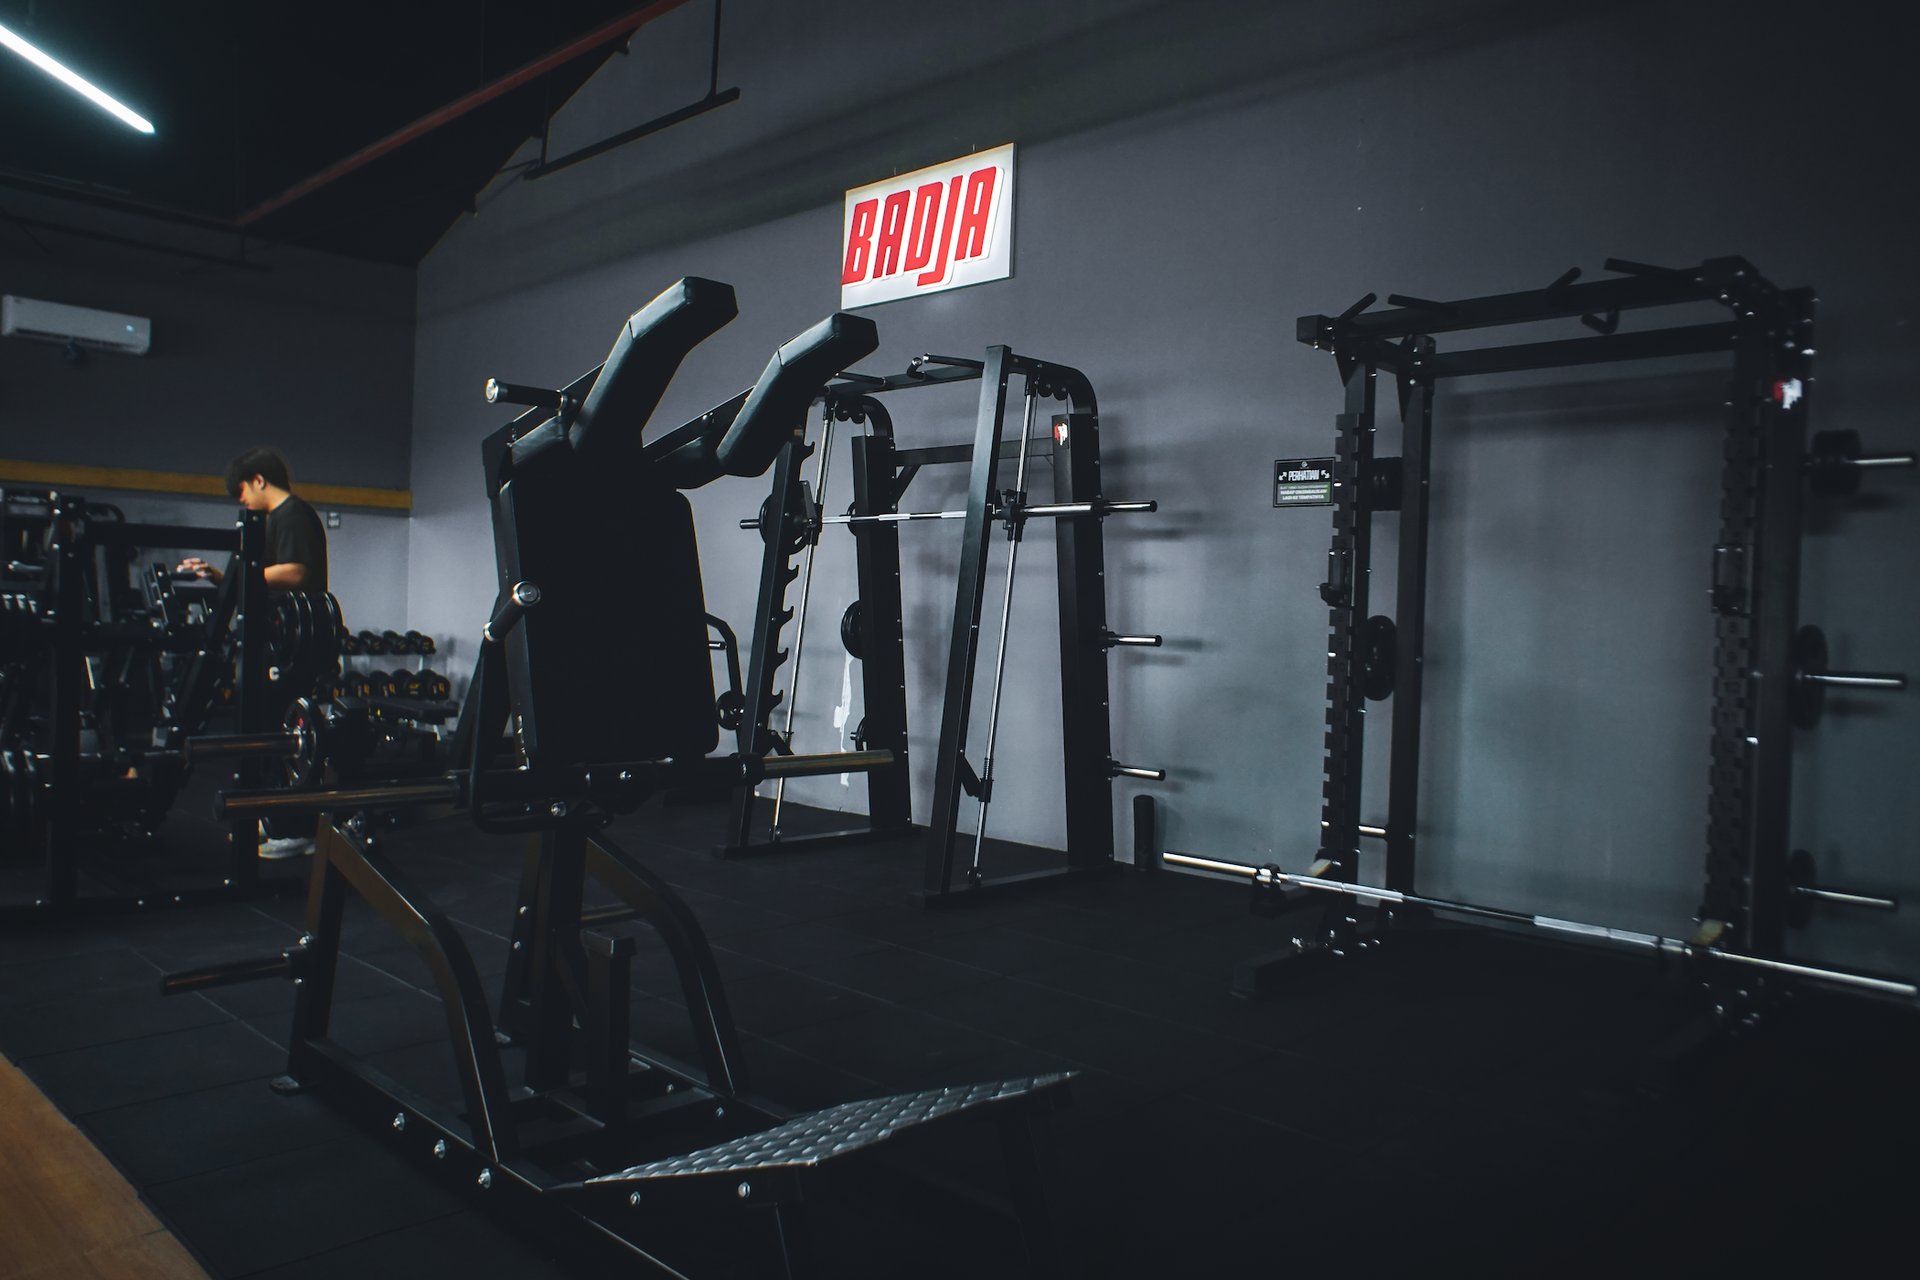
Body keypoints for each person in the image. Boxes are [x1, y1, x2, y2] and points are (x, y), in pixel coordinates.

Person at [179, 446, 330, 859]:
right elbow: (262, 576)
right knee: (265, 733)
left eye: (242, 491)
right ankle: (274, 821)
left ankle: (294, 830)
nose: (241, 500)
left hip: (295, 645)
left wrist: (238, 579)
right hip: (276, 644)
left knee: (281, 739)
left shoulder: (292, 514)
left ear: (260, 480)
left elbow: (296, 572)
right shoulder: (273, 520)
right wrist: (221, 578)